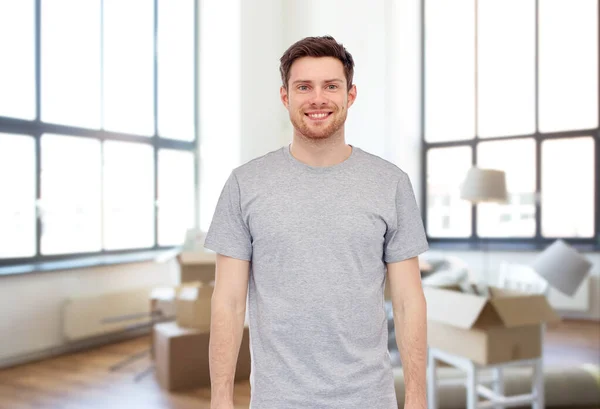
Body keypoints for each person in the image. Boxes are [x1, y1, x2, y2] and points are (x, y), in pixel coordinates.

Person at [205, 35, 429, 409]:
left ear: (351, 95)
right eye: (304, 87)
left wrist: (418, 398)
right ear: (285, 96)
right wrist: (220, 398)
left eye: (331, 86)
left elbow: (408, 302)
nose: (317, 99)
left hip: (369, 397)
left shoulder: (390, 183)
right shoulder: (245, 184)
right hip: (277, 398)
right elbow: (227, 303)